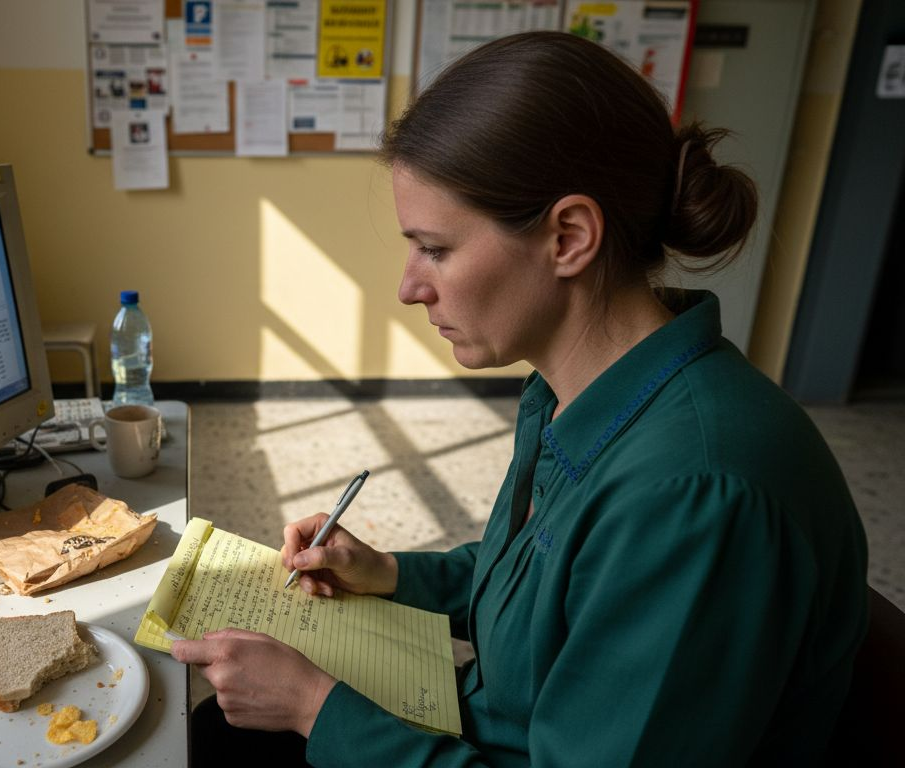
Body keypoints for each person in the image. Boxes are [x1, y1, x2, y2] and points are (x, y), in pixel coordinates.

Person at [171, 30, 867, 767]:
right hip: (487, 722)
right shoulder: (583, 393)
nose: (409, 287)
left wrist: (314, 708)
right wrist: (393, 574)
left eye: (436, 248)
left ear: (569, 237)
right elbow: (553, 585)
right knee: (217, 732)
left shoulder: (696, 499)